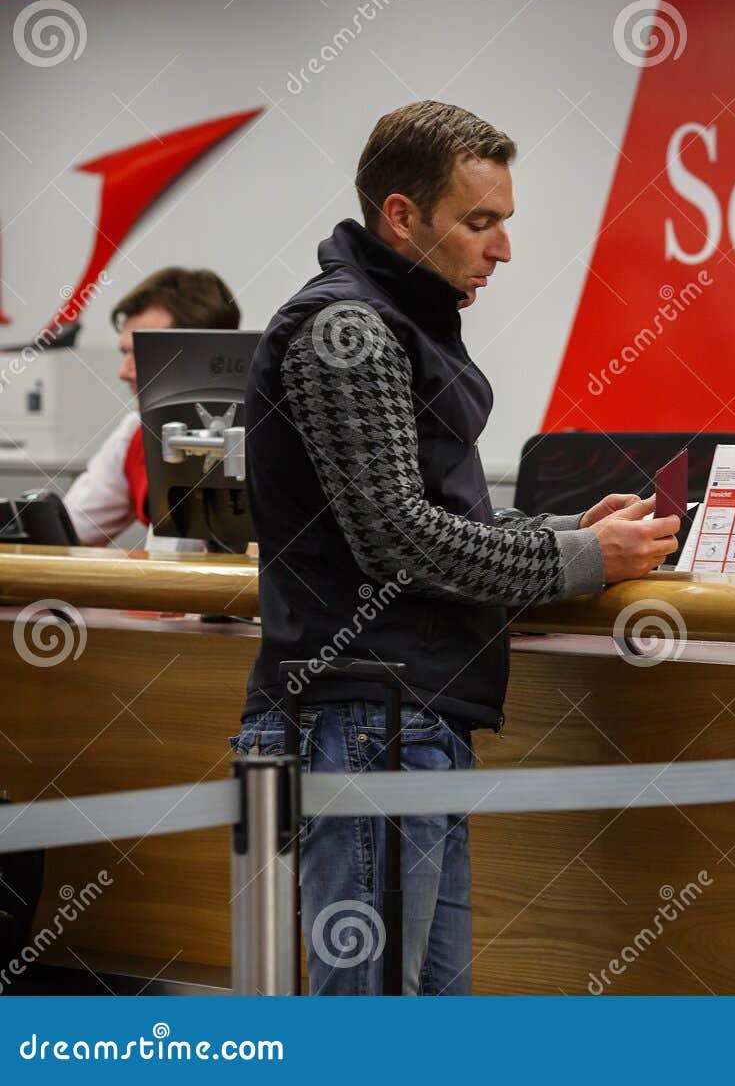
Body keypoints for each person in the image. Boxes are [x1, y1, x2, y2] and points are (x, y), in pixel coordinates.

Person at [235, 101, 679, 995]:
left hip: (400, 722)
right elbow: (399, 540)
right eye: (481, 222)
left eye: (504, 220)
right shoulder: (347, 332)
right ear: (402, 216)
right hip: (363, 724)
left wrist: (565, 534)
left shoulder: (397, 323)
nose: (502, 247)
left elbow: (429, 514)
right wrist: (581, 563)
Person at [62, 268, 241, 546]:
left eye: (142, 352)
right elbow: (70, 531)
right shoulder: (135, 432)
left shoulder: (277, 435)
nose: (124, 372)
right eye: (125, 353)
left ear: (202, 353)